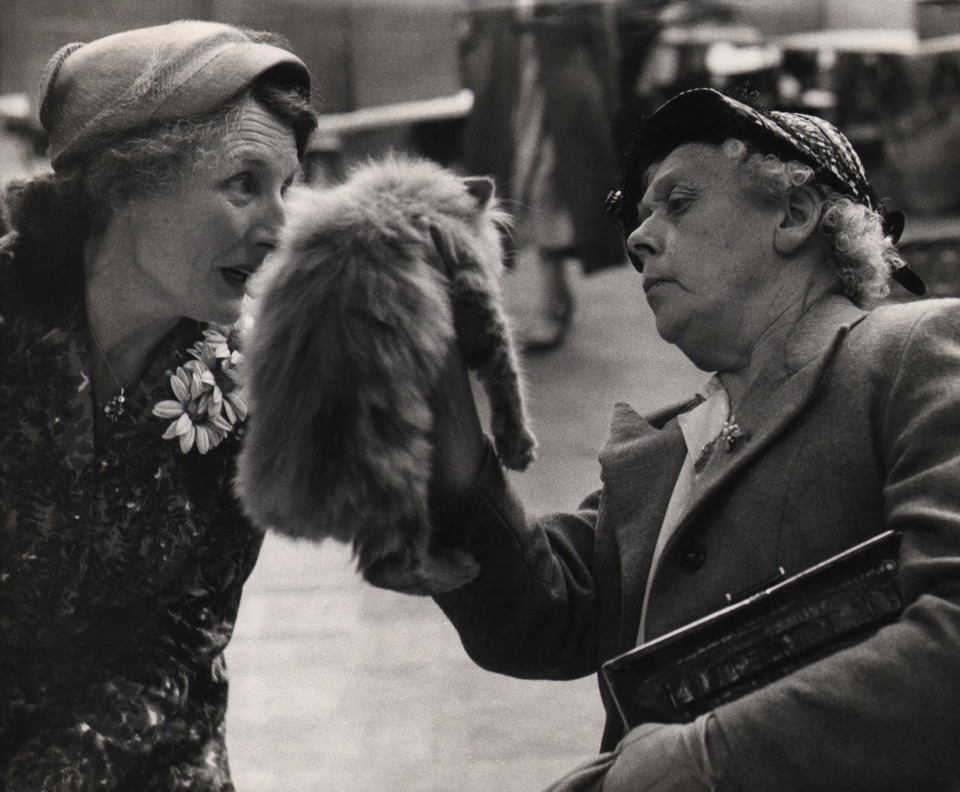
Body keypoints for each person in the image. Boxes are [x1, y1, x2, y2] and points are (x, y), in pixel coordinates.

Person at [427, 87, 960, 790]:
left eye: (679, 204)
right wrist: (429, 358)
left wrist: (711, 756)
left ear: (795, 214)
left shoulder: (912, 350)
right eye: (640, 218)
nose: (639, 239)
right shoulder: (673, 446)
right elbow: (535, 614)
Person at [0, 21, 316, 789]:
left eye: (287, 189)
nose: (279, 229)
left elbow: (185, 636)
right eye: (244, 184)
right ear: (126, 185)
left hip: (143, 752)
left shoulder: (241, 383)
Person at [460, 0, 626, 352]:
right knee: (519, 189)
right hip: (512, 90)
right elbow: (473, 32)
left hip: (563, 90)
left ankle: (552, 303)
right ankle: (558, 295)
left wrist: (608, 98)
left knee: (543, 188)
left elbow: (599, 31)